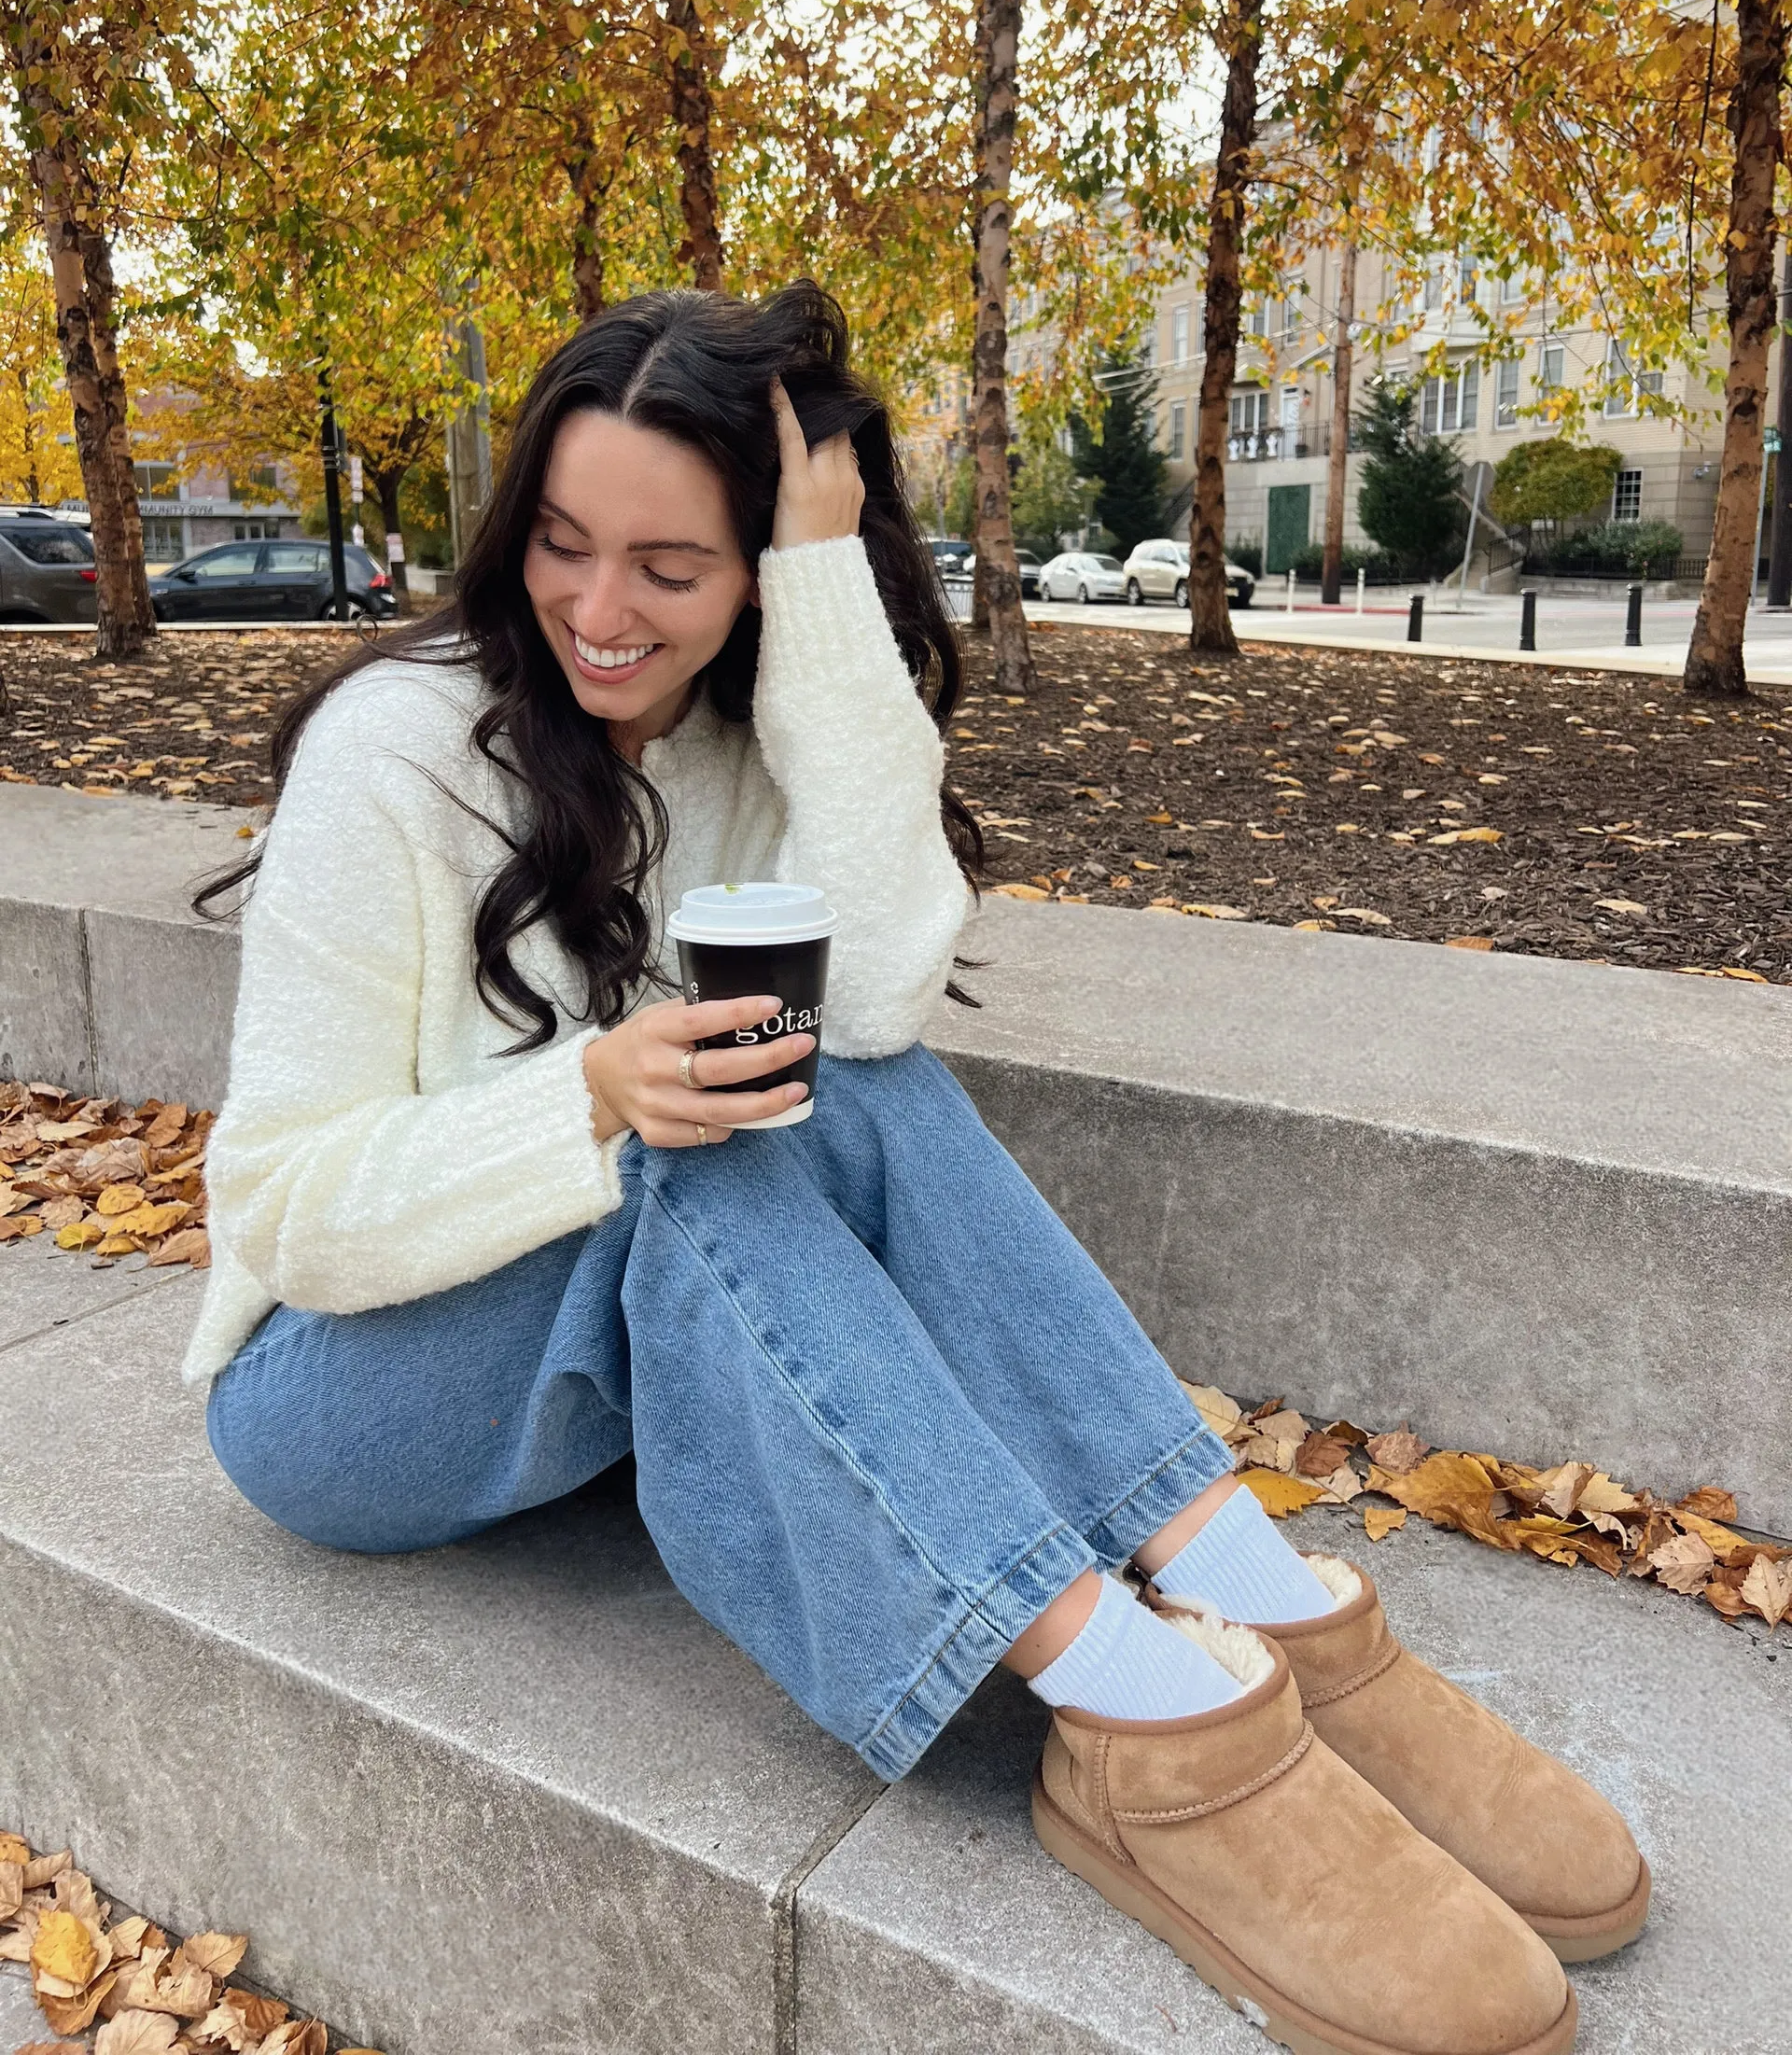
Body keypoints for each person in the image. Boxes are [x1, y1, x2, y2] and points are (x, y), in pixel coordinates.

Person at [191, 282, 1645, 2055]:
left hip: (595, 1362)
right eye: (566, 546)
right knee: (688, 1139)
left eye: (676, 566)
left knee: (834, 1081)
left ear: (751, 579)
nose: (599, 609)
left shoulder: (753, 724)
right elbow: (278, 1206)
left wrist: (818, 578)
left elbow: (872, 1003)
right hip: (339, 1395)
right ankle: (1135, 1724)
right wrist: (586, 1094)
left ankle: (1271, 1616)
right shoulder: (400, 751)